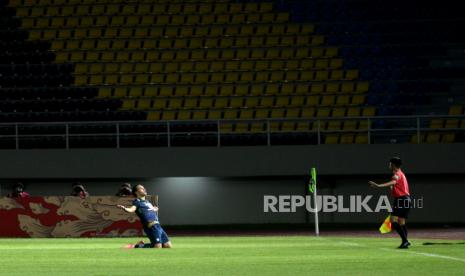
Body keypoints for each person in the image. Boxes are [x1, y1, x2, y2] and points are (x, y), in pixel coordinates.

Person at [369, 157, 411, 249]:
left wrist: (378, 185)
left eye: (390, 163)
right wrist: (392, 188)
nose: (389, 165)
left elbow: (393, 181)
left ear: (393, 165)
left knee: (393, 220)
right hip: (407, 199)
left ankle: (405, 241)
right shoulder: (401, 174)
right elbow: (396, 187)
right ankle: (406, 241)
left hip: (401, 200)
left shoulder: (396, 174)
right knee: (401, 221)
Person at [117, 184, 172, 249]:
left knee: (168, 246)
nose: (144, 189)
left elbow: (149, 212)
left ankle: (140, 245)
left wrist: (154, 209)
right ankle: (135, 246)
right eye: (141, 188)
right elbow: (132, 209)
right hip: (151, 227)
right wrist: (124, 208)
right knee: (157, 247)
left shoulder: (148, 202)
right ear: (136, 192)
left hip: (158, 226)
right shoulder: (137, 202)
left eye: (144, 188)